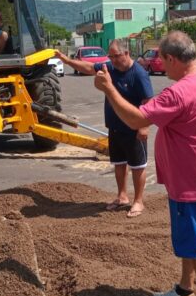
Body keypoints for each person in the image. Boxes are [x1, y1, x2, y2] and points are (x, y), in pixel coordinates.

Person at [93, 31, 196, 296]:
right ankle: (184, 292)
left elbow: (135, 119)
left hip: (193, 183)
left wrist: (109, 89)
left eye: (163, 62)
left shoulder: (181, 91)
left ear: (171, 58)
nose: (161, 68)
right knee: (192, 241)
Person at [55, 40, 154, 218]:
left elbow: (148, 104)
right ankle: (122, 196)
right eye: (111, 56)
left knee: (138, 166)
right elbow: (88, 67)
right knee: (119, 164)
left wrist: (144, 127)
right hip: (115, 127)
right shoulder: (110, 68)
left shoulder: (139, 74)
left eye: (117, 56)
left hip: (133, 128)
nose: (113, 60)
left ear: (127, 54)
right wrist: (66, 60)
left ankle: (138, 201)